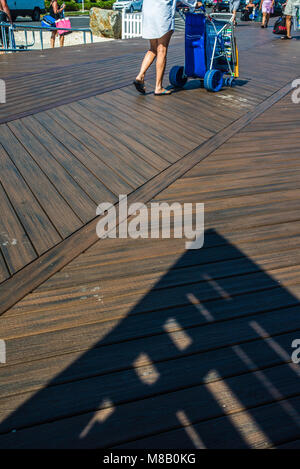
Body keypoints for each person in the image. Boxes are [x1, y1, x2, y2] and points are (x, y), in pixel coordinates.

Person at [134, 0, 203, 96]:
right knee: (162, 49)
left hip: (148, 11)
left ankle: (140, 75)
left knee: (153, 48)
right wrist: (195, 3)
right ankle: (158, 87)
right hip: (161, 13)